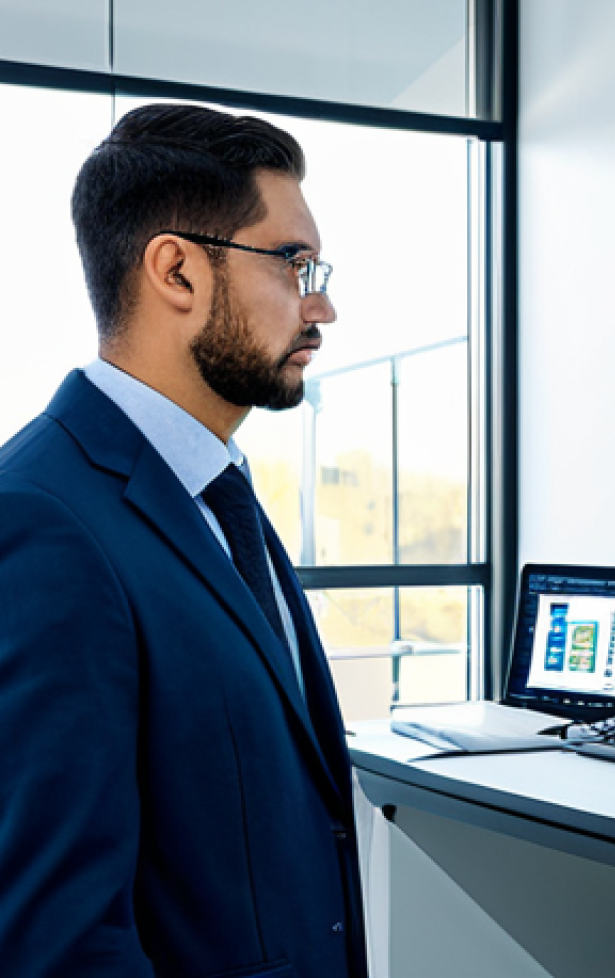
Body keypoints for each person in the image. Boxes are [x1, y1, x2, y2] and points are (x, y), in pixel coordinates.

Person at [0, 103, 369, 978]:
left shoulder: (212, 492)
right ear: (177, 272)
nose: (323, 305)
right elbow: (57, 944)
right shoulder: (44, 521)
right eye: (293, 263)